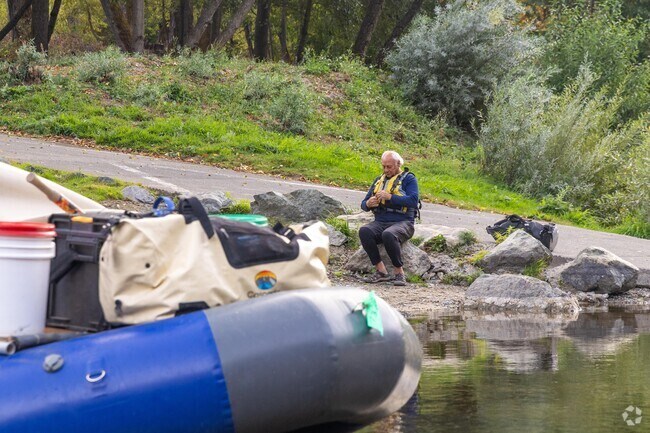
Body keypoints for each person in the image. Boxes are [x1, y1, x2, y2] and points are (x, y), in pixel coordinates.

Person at [359, 150, 419, 286]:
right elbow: (363, 204)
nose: (386, 170)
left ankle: (399, 273)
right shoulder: (379, 181)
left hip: (404, 223)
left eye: (389, 167)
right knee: (364, 231)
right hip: (380, 221)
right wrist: (368, 203)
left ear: (398, 164)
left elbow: (413, 201)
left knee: (389, 234)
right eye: (384, 166)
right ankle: (381, 272)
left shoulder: (409, 179)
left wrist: (390, 197)